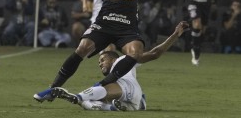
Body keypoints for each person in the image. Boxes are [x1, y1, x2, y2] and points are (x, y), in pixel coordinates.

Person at [34, 0, 201, 102]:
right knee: (82, 47)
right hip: (104, 23)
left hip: (127, 28)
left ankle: (100, 86)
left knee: (136, 53)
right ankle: (52, 89)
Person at [51, 21, 189, 111]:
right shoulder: (114, 76)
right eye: (99, 63)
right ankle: (119, 106)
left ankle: (78, 97)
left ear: (113, 59)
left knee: (97, 92)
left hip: (128, 87)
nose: (100, 64)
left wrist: (175, 34)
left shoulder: (124, 59)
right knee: (94, 104)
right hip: (132, 101)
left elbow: (155, 53)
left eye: (102, 59)